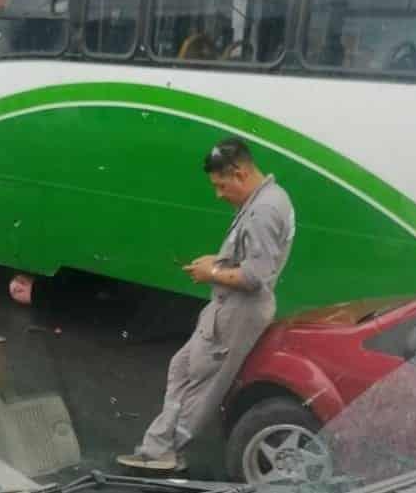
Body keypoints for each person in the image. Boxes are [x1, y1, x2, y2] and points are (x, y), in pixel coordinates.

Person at [117, 137, 296, 471]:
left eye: (221, 185)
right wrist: (220, 259)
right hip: (228, 306)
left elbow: (256, 276)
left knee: (200, 380)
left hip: (239, 310)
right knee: (181, 367)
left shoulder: (264, 211)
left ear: (240, 173)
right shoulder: (269, 197)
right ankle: (159, 444)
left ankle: (164, 452)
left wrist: (211, 272)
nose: (218, 194)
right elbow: (251, 257)